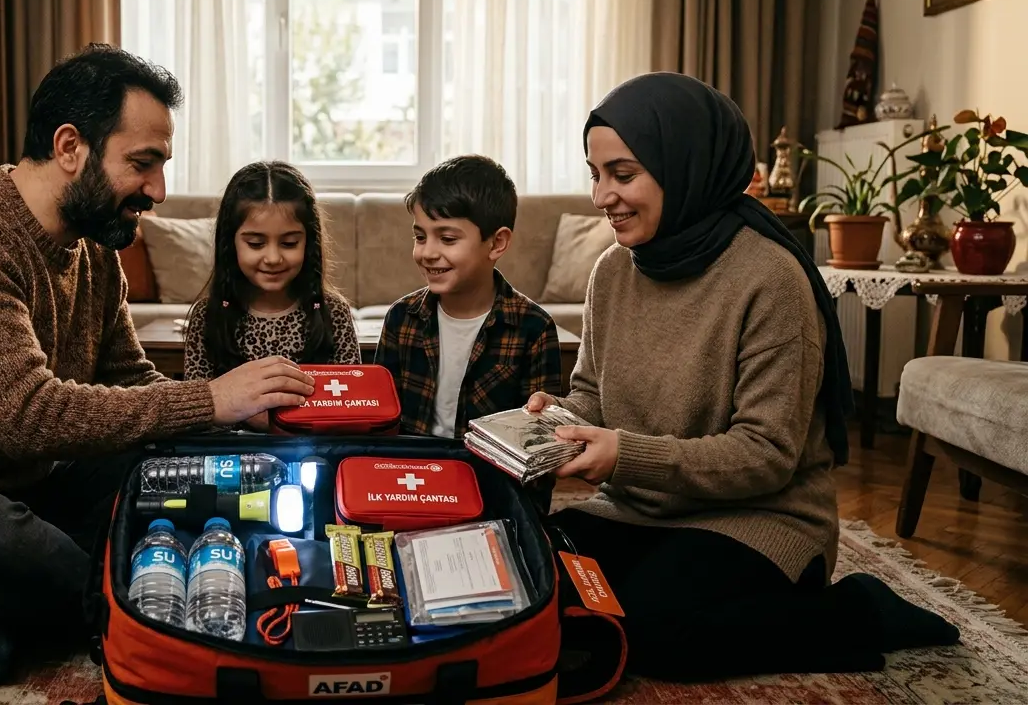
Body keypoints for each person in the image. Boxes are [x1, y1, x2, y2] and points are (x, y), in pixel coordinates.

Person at [0, 45, 315, 685]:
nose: (158, 190)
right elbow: (28, 416)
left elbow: (132, 386)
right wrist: (211, 397)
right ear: (70, 147)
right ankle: (116, 613)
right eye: (142, 164)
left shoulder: (94, 251)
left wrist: (238, 426)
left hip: (23, 487)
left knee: (171, 467)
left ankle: (3, 608)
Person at [528, 72, 959, 681]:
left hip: (761, 520)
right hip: (639, 511)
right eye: (595, 173)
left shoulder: (770, 280)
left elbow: (766, 455)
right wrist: (557, 424)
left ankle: (856, 611)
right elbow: (594, 396)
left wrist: (624, 455)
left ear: (685, 167)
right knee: (532, 575)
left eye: (622, 175)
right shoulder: (613, 272)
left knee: (657, 632)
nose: (601, 197)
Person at [373, 155, 565, 442]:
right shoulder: (401, 317)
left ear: (496, 243)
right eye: (420, 237)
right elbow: (380, 422)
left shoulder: (534, 328)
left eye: (448, 239)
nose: (427, 253)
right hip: (410, 474)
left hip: (490, 478)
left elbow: (538, 444)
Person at [182, 161, 361, 405]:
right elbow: (198, 407)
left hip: (315, 442)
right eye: (256, 244)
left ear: (309, 244)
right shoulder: (207, 316)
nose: (273, 258)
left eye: (289, 244)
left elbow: (350, 403)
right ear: (229, 243)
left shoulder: (334, 312)